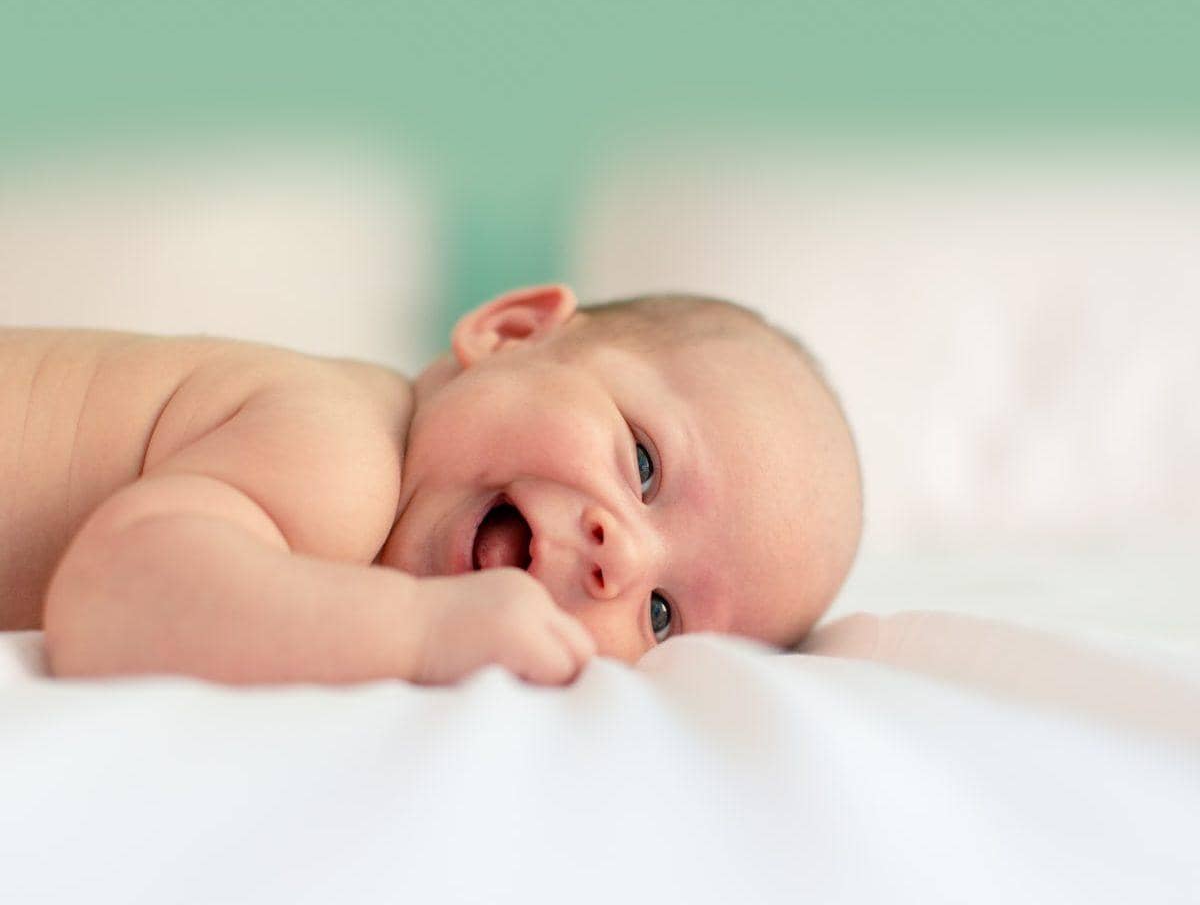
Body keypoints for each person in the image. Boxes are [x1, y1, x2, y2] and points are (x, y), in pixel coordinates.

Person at [0, 284, 862, 686]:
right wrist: (417, 631)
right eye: (642, 463)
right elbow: (113, 598)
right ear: (511, 331)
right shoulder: (343, 453)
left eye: (662, 615)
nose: (621, 559)